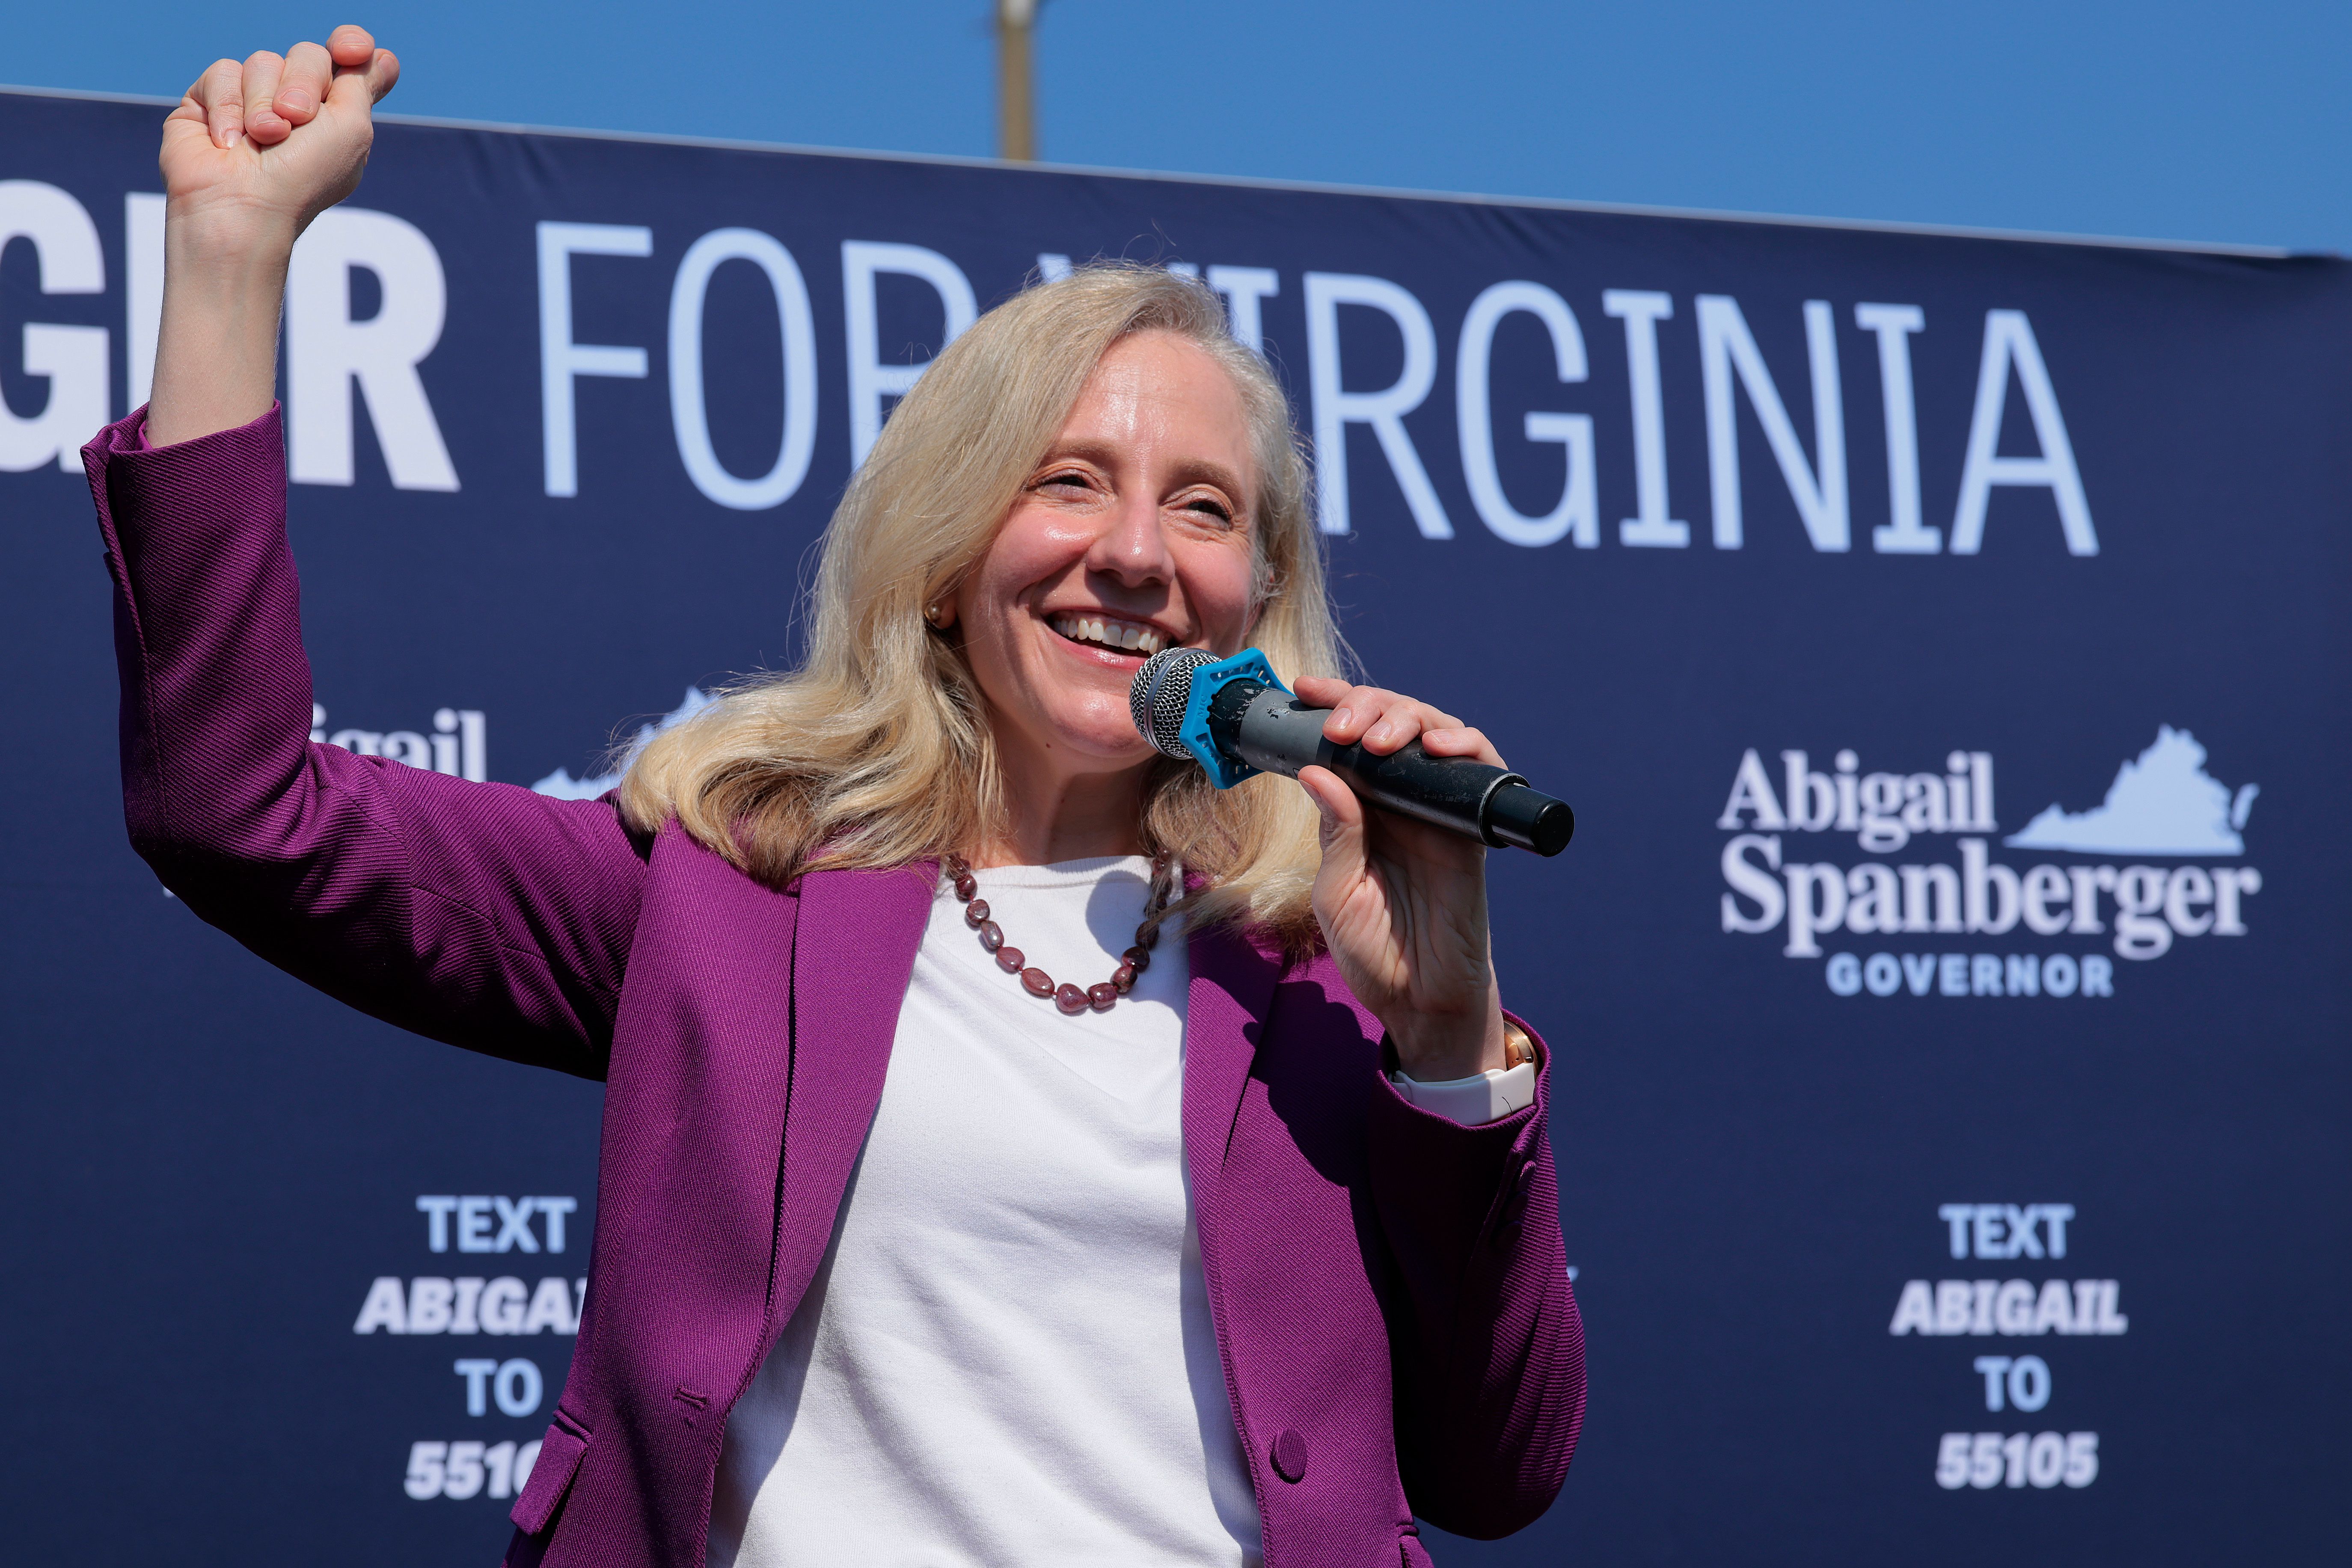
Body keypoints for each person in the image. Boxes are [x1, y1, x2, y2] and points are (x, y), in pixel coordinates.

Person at [89, 25, 1583, 1568]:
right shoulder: (723, 900)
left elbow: (1502, 1467)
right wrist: (226, 256)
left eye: (1203, 509)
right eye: (1068, 481)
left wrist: (1449, 1039)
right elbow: (238, 807)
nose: (1138, 555)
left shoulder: (1322, 979)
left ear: (1249, 601)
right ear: (944, 566)